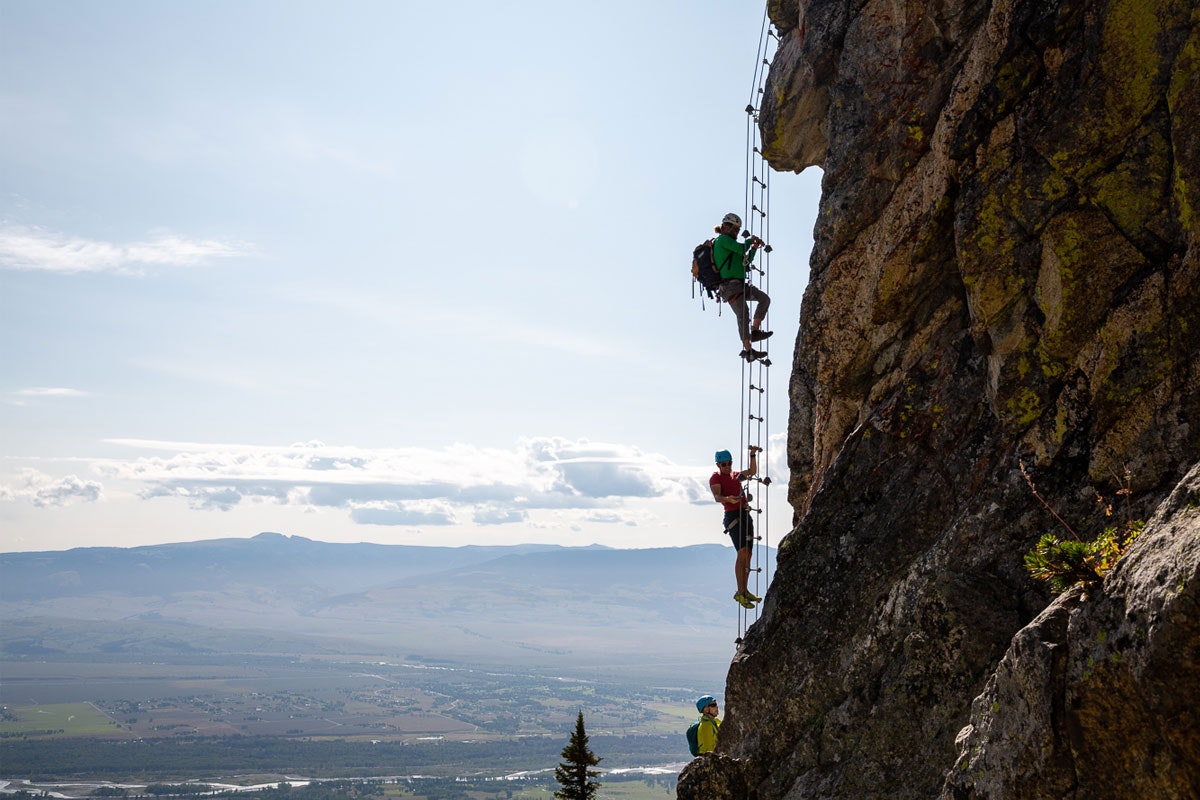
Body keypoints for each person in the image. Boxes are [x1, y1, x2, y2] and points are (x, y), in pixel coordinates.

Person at [712, 212, 772, 361]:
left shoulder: (732, 245)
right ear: (726, 227)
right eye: (734, 229)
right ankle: (749, 350)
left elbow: (745, 261)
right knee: (743, 314)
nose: (736, 232)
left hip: (739, 285)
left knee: (764, 299)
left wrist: (754, 248)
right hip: (729, 287)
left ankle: (755, 331)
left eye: (737, 230)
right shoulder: (722, 240)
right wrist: (750, 240)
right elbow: (741, 249)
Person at [710, 446, 762, 609]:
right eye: (724, 464)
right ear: (718, 465)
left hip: (745, 514)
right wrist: (728, 499)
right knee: (742, 552)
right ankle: (740, 592)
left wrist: (752, 454)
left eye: (729, 463)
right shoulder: (715, 478)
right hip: (733, 516)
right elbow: (717, 497)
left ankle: (745, 591)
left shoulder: (735, 476)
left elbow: (752, 472)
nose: (727, 467)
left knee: (748, 553)